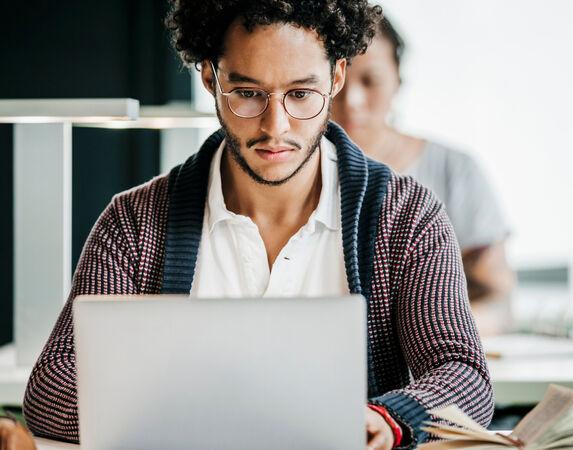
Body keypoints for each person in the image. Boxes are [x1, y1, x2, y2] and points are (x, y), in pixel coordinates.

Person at [23, 1, 493, 449]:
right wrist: (229, 420)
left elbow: (463, 373)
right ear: (210, 78)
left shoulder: (405, 216)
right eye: (248, 93)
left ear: (336, 77)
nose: (276, 126)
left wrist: (387, 419)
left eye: (300, 94)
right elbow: (52, 386)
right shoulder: (134, 222)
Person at [331, 17, 516, 334]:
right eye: (337, 81)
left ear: (398, 81)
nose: (352, 101)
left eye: (370, 80)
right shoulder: (287, 171)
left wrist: (430, 339)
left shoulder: (455, 171)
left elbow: (499, 302)